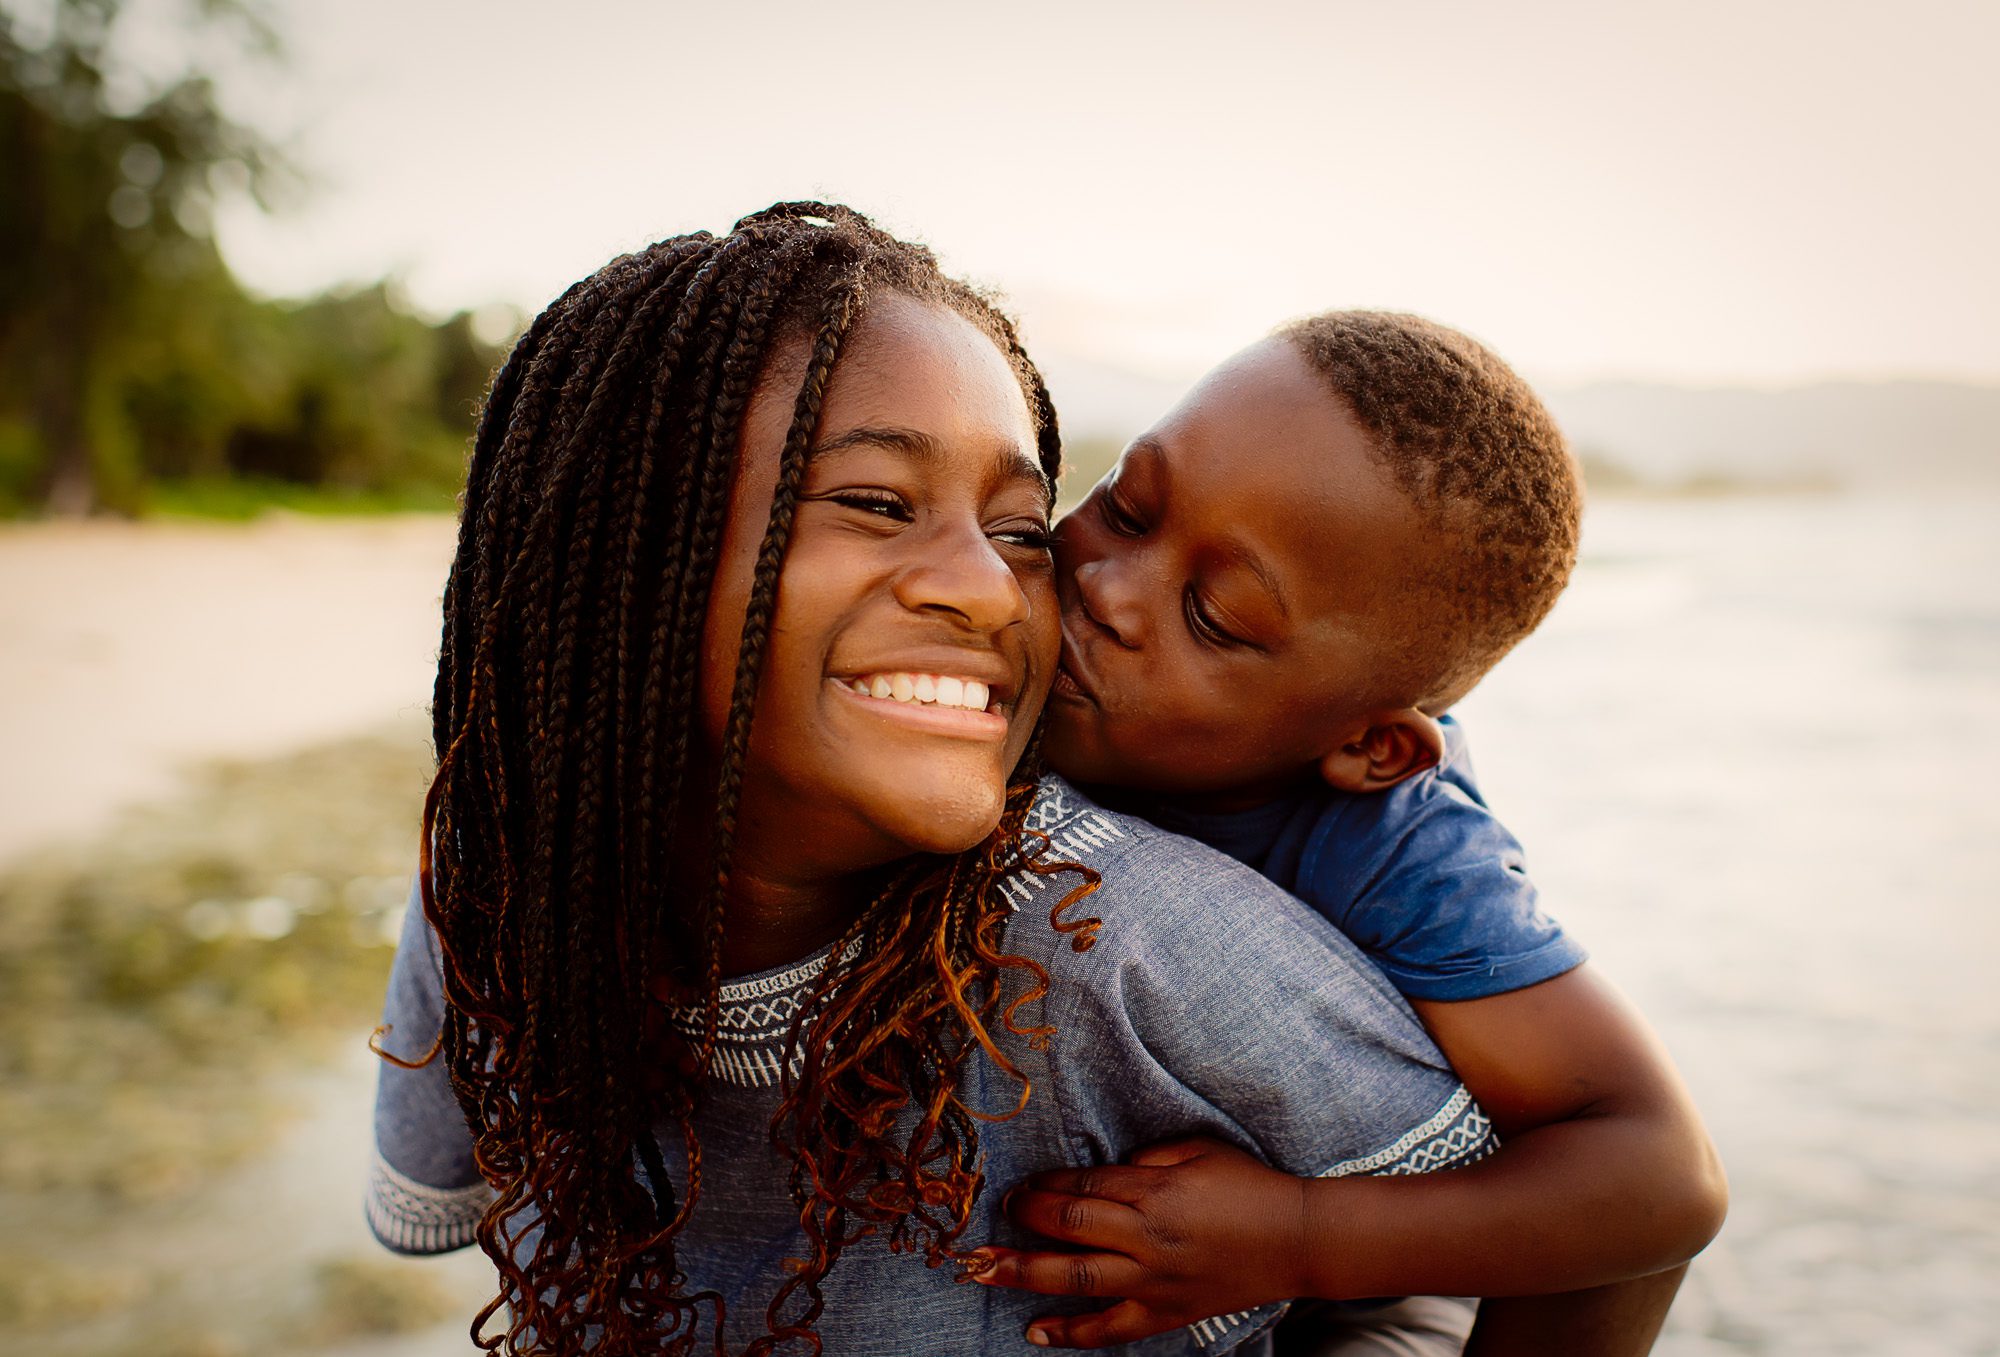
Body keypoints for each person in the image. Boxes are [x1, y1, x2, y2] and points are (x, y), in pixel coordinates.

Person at [367, 206, 1498, 1357]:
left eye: (1018, 529)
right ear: (618, 551)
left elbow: (1537, 1235)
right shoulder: (497, 887)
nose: (995, 590)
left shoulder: (1123, 938)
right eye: (874, 502)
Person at [968, 314, 1729, 1352]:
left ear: (1371, 748)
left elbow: (1657, 1179)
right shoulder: (995, 660)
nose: (1105, 588)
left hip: (1379, 1290)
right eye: (1127, 507)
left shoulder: (1397, 846)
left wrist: (1297, 1239)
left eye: (1214, 616)